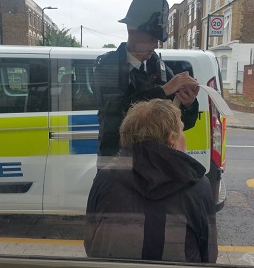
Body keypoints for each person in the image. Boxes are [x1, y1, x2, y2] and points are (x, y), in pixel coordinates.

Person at [84, 99, 218, 263]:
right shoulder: (198, 186)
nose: (185, 138)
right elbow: (209, 256)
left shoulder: (105, 179)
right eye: (182, 131)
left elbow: (91, 243)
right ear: (172, 139)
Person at [92, 0, 200, 168]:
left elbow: (180, 125)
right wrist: (164, 91)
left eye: (158, 39)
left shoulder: (161, 69)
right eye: (151, 37)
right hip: (118, 165)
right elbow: (116, 115)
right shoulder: (107, 66)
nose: (155, 44)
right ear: (131, 30)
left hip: (155, 167)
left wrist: (189, 104)